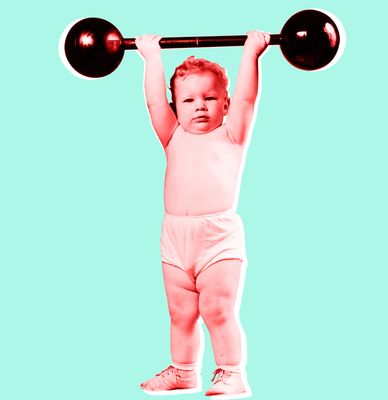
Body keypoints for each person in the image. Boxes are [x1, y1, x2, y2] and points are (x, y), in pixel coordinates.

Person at [135, 30, 269, 397]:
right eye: (189, 99)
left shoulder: (232, 135)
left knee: (217, 308)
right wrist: (152, 59)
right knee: (180, 314)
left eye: (210, 98)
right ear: (176, 105)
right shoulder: (172, 134)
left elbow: (247, 96)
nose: (200, 106)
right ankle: (183, 371)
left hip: (218, 238)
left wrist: (251, 53)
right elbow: (152, 104)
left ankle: (231, 373)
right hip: (175, 237)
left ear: (224, 104)